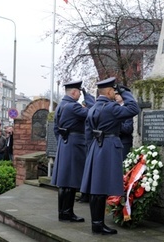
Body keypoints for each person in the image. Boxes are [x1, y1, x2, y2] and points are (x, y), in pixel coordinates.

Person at [80, 77, 140, 235]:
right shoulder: (111, 107)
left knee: (96, 188)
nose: (114, 93)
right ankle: (98, 225)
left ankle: (96, 224)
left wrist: (91, 148)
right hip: (107, 147)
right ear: (107, 91)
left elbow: (87, 133)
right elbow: (134, 109)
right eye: (113, 90)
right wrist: (125, 92)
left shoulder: (93, 107)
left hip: (95, 147)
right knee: (101, 188)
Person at [51, 80, 95, 222]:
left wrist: (63, 141)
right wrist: (88, 97)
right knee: (70, 181)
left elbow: (55, 129)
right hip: (74, 144)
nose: (79, 96)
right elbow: (93, 112)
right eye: (79, 93)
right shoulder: (73, 106)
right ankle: (67, 213)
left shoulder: (61, 106)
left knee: (64, 181)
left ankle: (63, 213)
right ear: (74, 92)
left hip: (66, 144)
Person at [115, 93, 134, 161]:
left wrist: (116, 124)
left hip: (124, 142)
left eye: (117, 94)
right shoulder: (114, 108)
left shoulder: (128, 109)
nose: (115, 96)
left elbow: (128, 128)